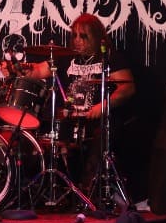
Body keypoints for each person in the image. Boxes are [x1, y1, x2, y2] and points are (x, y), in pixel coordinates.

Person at [20, 13, 135, 197]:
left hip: (97, 121)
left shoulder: (110, 58)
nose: (77, 41)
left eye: (83, 36)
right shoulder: (66, 57)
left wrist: (101, 107)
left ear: (96, 36)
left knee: (101, 138)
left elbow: (127, 88)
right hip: (69, 120)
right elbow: (38, 70)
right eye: (74, 35)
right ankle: (51, 190)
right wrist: (17, 69)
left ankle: (89, 191)